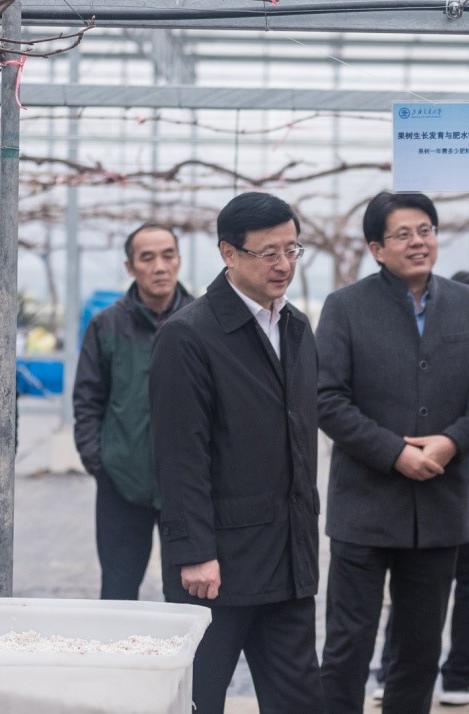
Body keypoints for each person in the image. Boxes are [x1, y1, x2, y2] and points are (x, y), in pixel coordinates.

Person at [316, 191, 469, 714]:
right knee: (347, 644)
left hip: (440, 503)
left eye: (426, 230)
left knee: (419, 650)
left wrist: (451, 441)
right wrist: (393, 452)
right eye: (402, 234)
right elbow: (326, 399)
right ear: (376, 248)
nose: (418, 242)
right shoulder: (345, 307)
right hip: (364, 506)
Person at [150, 193, 323, 713]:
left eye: (292, 249)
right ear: (228, 253)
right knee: (198, 700)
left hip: (289, 558)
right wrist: (194, 553)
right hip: (216, 567)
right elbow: (180, 455)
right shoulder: (188, 335)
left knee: (298, 699)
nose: (284, 264)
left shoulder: (295, 326)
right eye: (268, 253)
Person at [372, 270, 469, 706]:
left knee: (411, 582)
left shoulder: (425, 327)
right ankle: (459, 675)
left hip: (426, 466)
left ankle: (390, 671)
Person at [74, 223, 193, 600]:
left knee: (188, 596)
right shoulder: (106, 324)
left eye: (168, 255)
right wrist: (101, 462)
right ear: (130, 267)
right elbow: (87, 400)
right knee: (118, 594)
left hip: (188, 488)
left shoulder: (202, 321)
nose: (160, 266)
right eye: (147, 258)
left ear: (179, 260)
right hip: (121, 484)